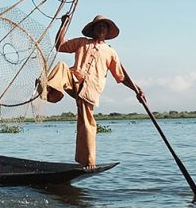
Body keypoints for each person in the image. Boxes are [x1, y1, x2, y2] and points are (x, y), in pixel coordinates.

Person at [48, 15, 144, 168]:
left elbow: (121, 76)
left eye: (104, 27)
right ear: (92, 30)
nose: (101, 29)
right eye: (98, 26)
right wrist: (63, 25)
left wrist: (136, 90)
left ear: (107, 32)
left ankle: (88, 161)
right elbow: (59, 46)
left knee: (87, 124)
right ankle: (51, 93)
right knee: (61, 66)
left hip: (90, 90)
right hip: (74, 80)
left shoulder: (110, 52)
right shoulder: (81, 42)